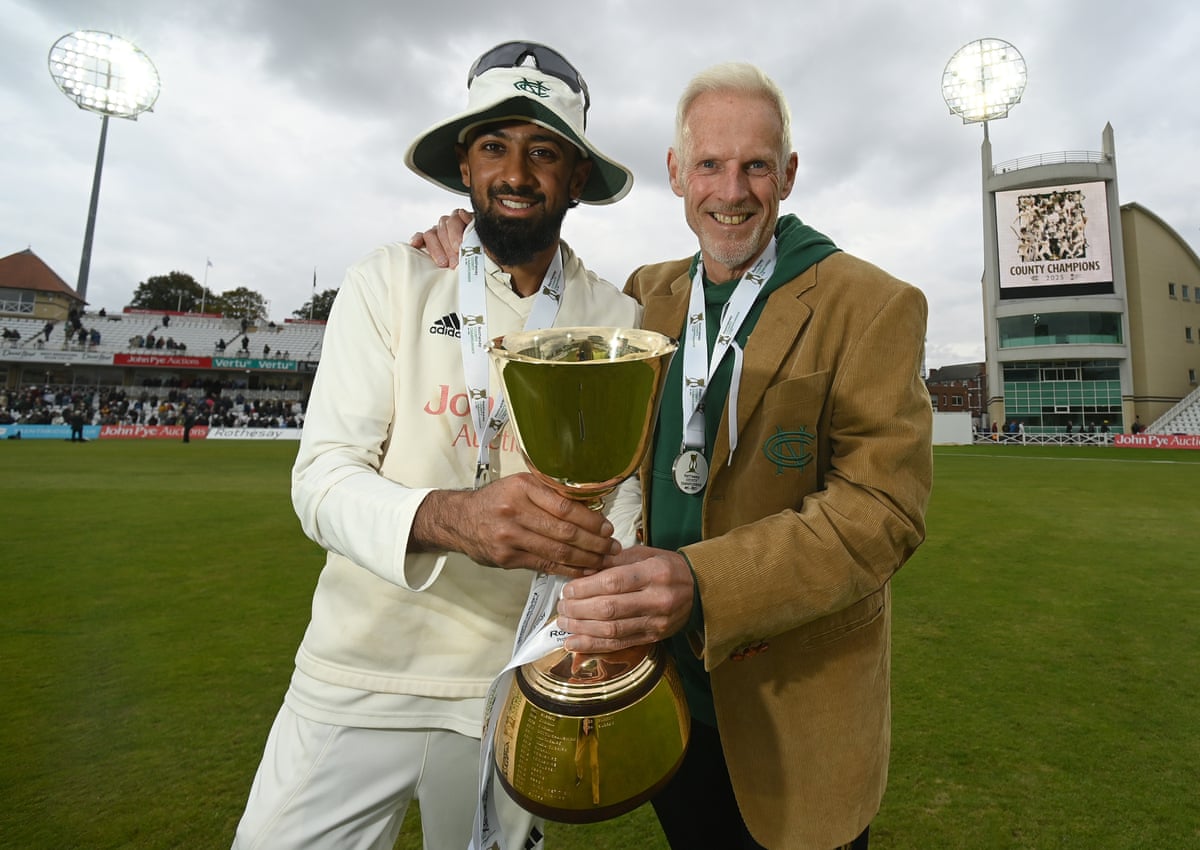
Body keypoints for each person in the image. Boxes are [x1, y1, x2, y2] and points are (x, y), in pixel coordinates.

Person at [418, 61, 932, 850]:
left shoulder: (871, 304)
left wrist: (699, 581)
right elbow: (539, 292)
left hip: (794, 714)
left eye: (757, 165)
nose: (732, 190)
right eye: (710, 165)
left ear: (788, 174)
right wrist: (465, 240)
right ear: (675, 174)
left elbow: (883, 513)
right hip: (662, 699)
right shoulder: (644, 297)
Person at [231, 41, 640, 850]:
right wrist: (456, 518)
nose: (516, 173)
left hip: (515, 683)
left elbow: (620, 507)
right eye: (494, 146)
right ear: (465, 165)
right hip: (358, 668)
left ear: (577, 178)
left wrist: (610, 593)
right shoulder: (391, 279)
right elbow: (320, 481)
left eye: (543, 151)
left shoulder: (614, 319)